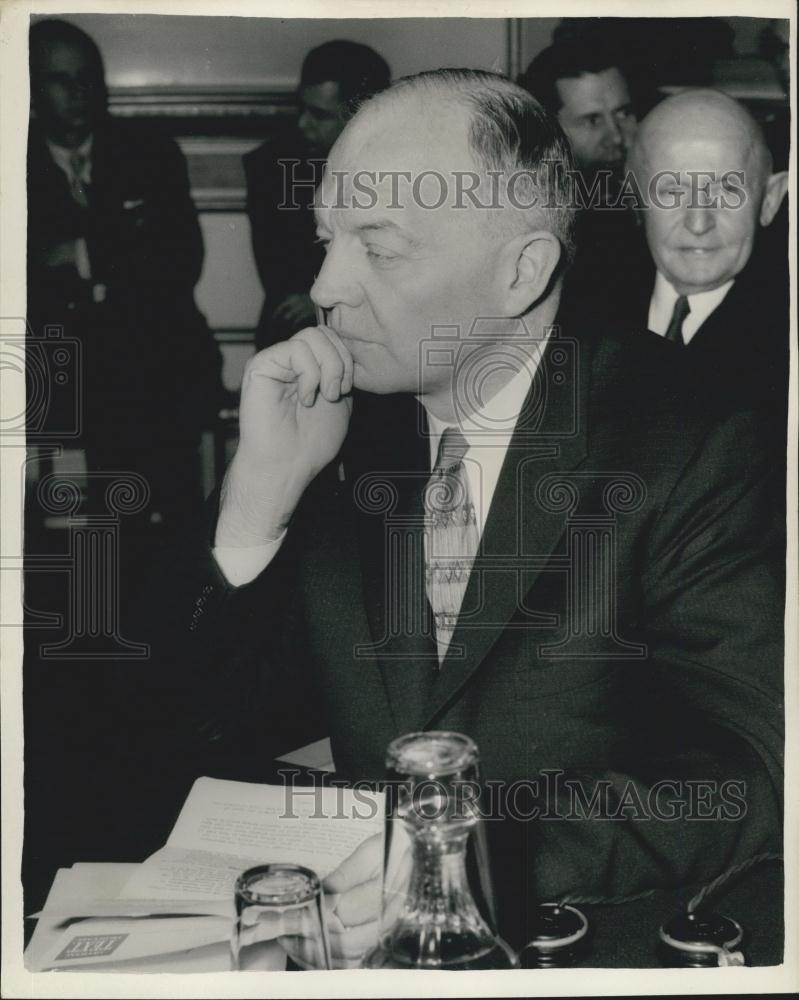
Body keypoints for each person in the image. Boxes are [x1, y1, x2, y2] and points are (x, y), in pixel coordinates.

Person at [162, 70, 782, 966]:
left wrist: (447, 863)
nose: (327, 288)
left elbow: (749, 777)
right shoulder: (349, 434)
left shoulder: (695, 437)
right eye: (327, 240)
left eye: (378, 246)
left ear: (521, 270)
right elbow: (179, 727)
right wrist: (257, 497)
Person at [27, 19, 224, 527]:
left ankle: (156, 551)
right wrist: (122, 245)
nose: (79, 92)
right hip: (56, 360)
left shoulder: (149, 152)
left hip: (152, 352)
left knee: (141, 378)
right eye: (59, 79)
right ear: (26, 84)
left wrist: (76, 252)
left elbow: (182, 260)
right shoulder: (13, 159)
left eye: (88, 76)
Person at [621, 89, 789, 434]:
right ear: (633, 197)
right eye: (671, 191)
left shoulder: (787, 344)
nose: (699, 223)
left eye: (727, 191)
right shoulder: (577, 309)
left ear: (770, 200)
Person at [244, 41, 390, 349]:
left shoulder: (402, 170)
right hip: (298, 330)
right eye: (301, 108)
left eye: (319, 115)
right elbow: (279, 277)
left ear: (362, 116)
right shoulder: (270, 166)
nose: (302, 124)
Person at [520, 39, 643, 325]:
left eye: (624, 113)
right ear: (549, 129)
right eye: (592, 121)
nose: (616, 136)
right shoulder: (550, 228)